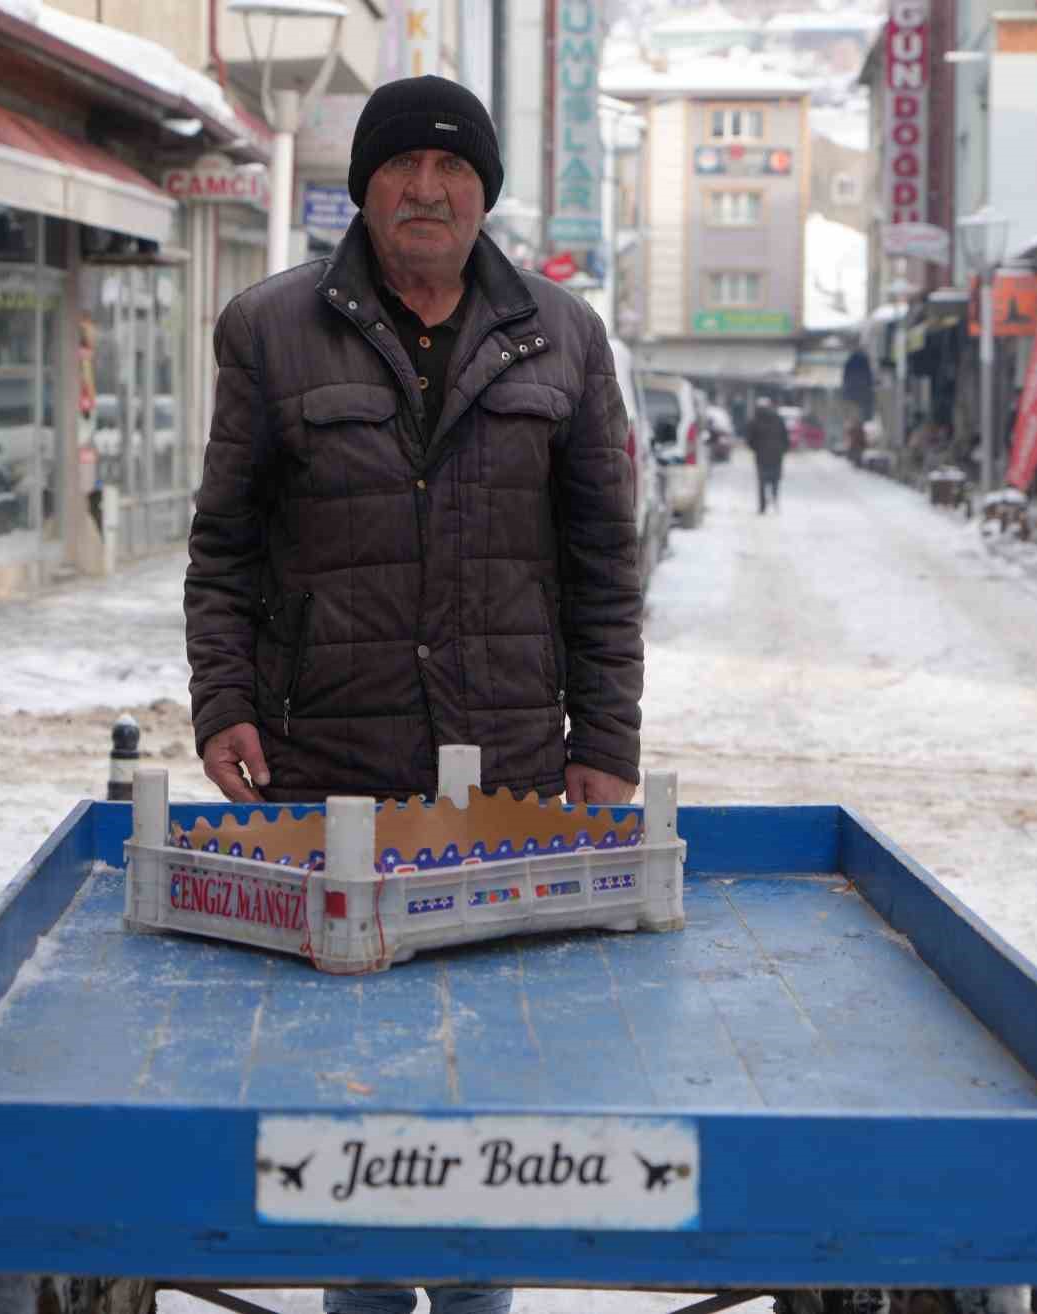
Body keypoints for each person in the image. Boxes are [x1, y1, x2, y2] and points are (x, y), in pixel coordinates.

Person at [185, 76, 645, 1309]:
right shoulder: (270, 330)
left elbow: (604, 560)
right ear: (367, 186)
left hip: (503, 783)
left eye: (452, 171)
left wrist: (602, 736)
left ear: (484, 193)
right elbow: (224, 545)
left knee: (488, 1095)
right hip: (327, 774)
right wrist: (221, 698)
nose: (427, 190)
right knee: (356, 1103)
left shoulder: (563, 336)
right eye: (403, 169)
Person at [747, 396, 789, 513]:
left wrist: (756, 449)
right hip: (776, 455)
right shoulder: (778, 419)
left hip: (761, 456)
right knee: (775, 481)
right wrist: (783, 449)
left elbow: (750, 440)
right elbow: (785, 438)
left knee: (762, 482)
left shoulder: (755, 421)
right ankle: (775, 501)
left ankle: (762, 506)